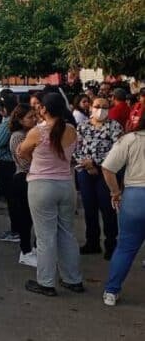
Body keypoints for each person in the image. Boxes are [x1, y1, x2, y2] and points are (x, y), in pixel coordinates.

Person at [17, 92, 83, 296]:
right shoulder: (71, 130)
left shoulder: (37, 132)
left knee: (45, 236)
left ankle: (46, 282)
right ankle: (73, 279)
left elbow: (22, 151)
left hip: (41, 185)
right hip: (66, 185)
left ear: (43, 109)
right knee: (67, 233)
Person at [100, 112, 145, 306]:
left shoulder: (130, 139)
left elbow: (108, 168)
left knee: (125, 248)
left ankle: (111, 291)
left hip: (134, 197)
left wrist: (115, 192)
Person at [73, 97, 123, 260]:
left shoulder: (115, 127)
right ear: (91, 107)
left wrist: (95, 163)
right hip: (85, 171)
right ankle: (92, 242)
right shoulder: (82, 126)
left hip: (106, 173)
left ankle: (111, 245)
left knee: (107, 209)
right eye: (97, 106)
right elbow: (76, 148)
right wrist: (87, 164)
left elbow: (117, 151)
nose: (100, 110)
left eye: (104, 107)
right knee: (89, 208)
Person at [9, 105, 38, 267]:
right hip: (23, 178)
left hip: (35, 178)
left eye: (35, 116)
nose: (34, 119)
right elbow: (25, 162)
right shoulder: (18, 136)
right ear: (20, 120)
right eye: (30, 117)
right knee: (25, 218)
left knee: (35, 217)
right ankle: (25, 251)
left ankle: (34, 249)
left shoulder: (33, 133)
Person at [0, 95, 19, 242]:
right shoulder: (12, 121)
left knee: (12, 199)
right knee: (13, 199)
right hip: (11, 163)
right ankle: (16, 230)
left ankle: (16, 231)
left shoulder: (8, 122)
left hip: (7, 163)